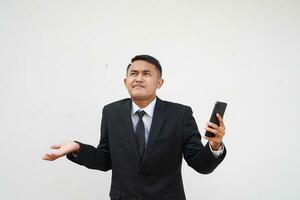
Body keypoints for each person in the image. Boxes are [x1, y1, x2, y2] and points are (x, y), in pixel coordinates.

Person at [43, 55, 227, 200]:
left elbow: (200, 164)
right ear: (125, 82)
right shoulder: (111, 112)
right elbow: (106, 159)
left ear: (159, 83)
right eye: (133, 73)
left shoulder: (180, 115)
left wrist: (215, 145)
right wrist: (77, 147)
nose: (139, 78)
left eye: (146, 74)